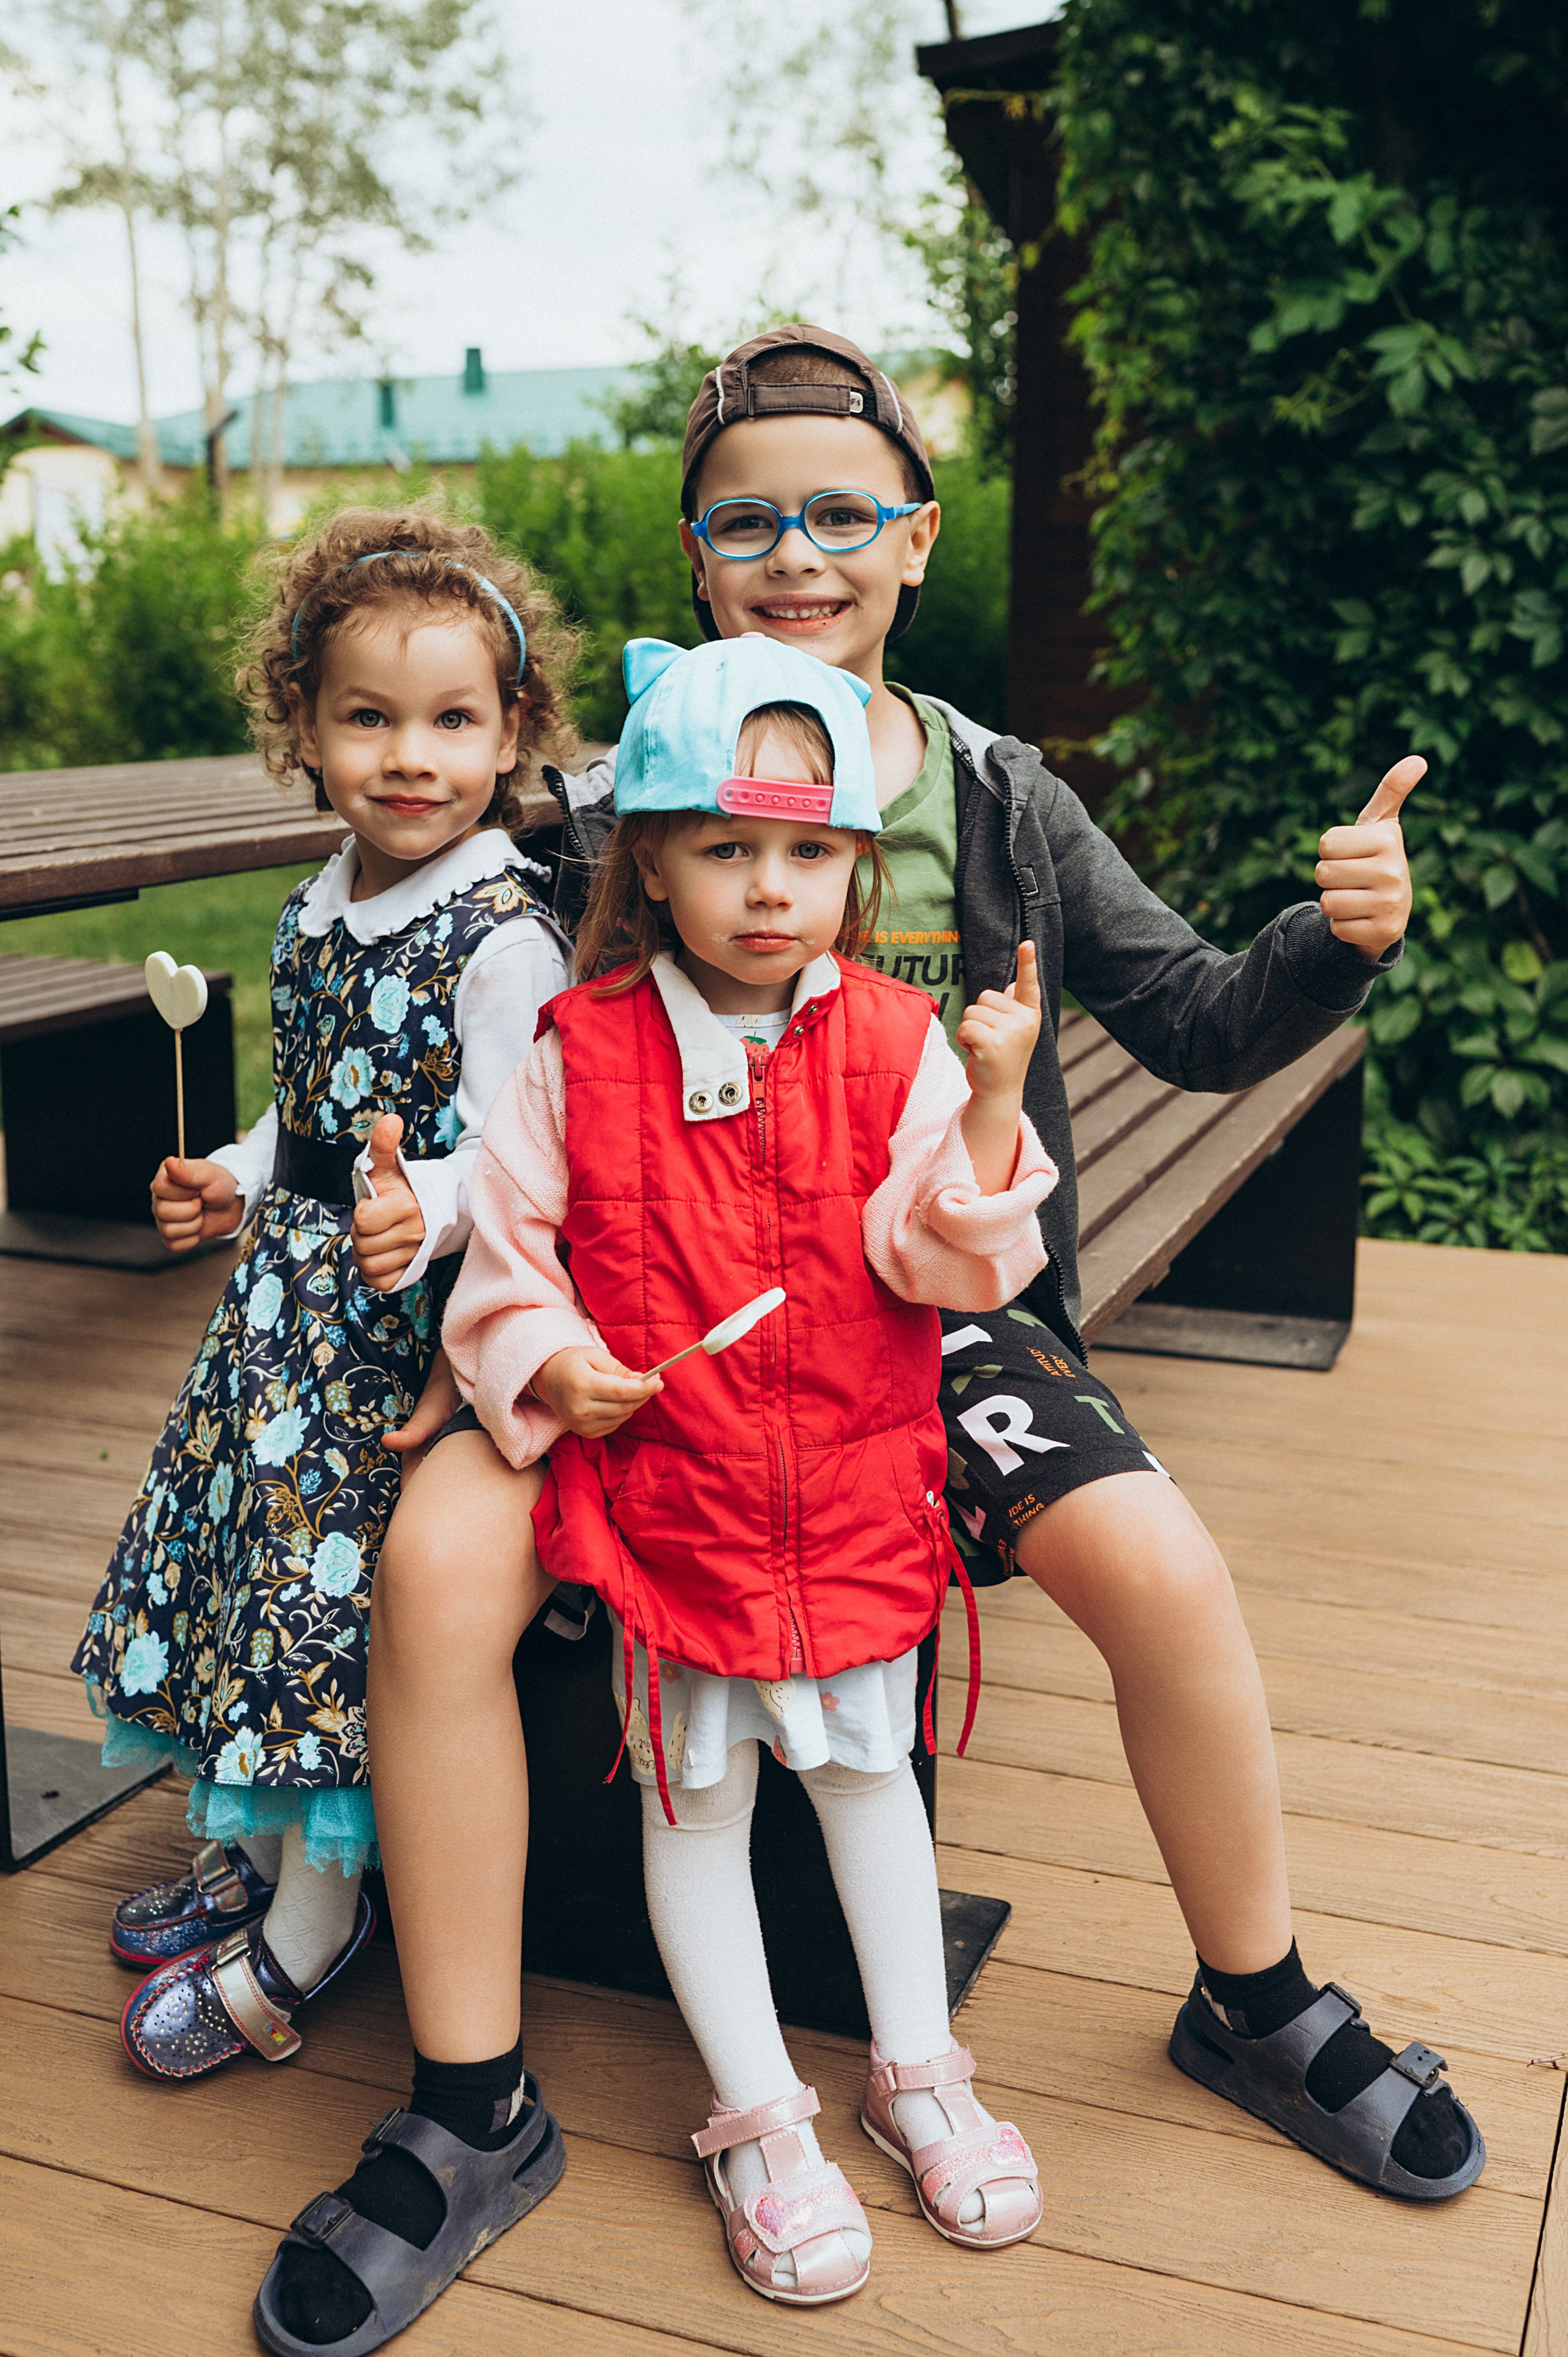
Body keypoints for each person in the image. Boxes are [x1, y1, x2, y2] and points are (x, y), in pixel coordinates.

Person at [386, 324, 1486, 2208]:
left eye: (842, 512)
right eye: (750, 521)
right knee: (434, 1565)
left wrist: (1335, 940)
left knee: (1156, 1556)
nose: (797, 552)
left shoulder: (999, 799)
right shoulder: (602, 811)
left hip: (933, 1313)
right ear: (694, 554)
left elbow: (1204, 1022)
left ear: (918, 539)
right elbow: (494, 1079)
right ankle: (469, 2101)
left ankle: (1260, 2000)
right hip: (630, 1328)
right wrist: (463, 1297)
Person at [256, 630, 1050, 2342]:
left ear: (856, 860)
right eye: (727, 847)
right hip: (674, 1505)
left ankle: (920, 2073)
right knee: (694, 1807)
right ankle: (760, 2118)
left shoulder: (904, 1042)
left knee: (866, 1788)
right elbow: (511, 1255)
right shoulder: (576, 1047)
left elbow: (949, 1266)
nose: (773, 890)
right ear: (650, 858)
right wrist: (546, 1364)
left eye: (813, 851)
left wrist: (986, 1113)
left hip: (848, 1492)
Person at [71, 507, 576, 2140]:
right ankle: (257, 1849)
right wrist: (229, 1176)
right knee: (239, 1578)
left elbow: (517, 1155)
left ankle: (310, 1929)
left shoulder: (502, 938)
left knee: (321, 1622)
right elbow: (310, 1123)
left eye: (452, 722)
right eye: (368, 717)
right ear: (304, 725)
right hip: (276, 1331)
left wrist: (417, 1204)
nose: (410, 757)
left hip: (397, 1348)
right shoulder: (318, 904)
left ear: (513, 735)